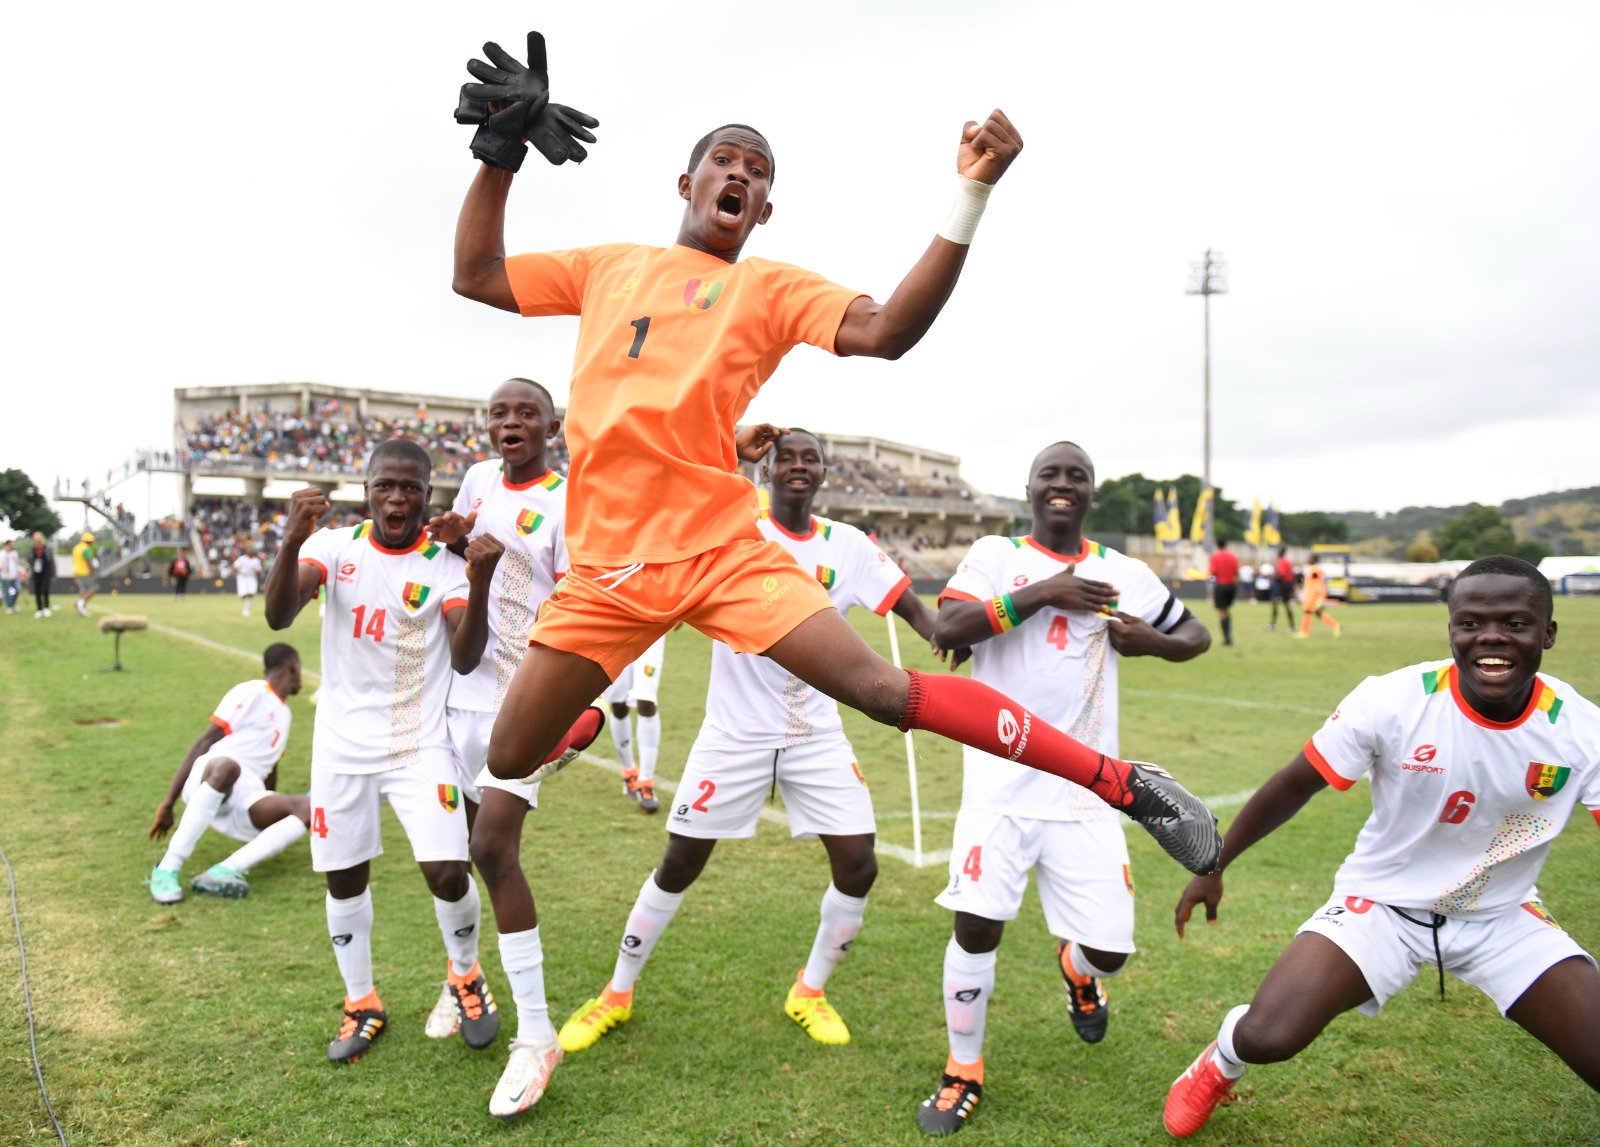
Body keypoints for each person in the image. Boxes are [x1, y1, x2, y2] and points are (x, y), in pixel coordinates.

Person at [451, 94, 1219, 880]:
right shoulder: (609, 267)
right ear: (686, 183)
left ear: (763, 209)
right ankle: (578, 718)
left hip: (718, 550)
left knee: (882, 691)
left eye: (756, 170)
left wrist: (973, 192)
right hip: (607, 570)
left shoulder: (766, 288)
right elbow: (474, 275)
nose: (739, 173)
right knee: (510, 752)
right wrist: (498, 153)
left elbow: (887, 332)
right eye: (725, 159)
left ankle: (1124, 783)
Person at [1165, 555, 1600, 1137]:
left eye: (1515, 624)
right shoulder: (1394, 700)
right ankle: (1221, 1060)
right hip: (1384, 903)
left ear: (1547, 633)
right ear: (1451, 628)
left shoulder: (1580, 730)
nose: (1490, 638)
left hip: (1501, 913)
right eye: (1471, 623)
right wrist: (1214, 865)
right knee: (1270, 1036)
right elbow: (1297, 782)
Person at [558, 428, 944, 1056]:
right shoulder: (737, 532)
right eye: (786, 458)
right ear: (767, 472)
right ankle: (616, 994)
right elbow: (670, 494)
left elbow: (920, 614)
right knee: (680, 863)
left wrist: (951, 629)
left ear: (823, 472)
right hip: (734, 732)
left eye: (809, 458)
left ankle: (809, 991)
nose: (797, 466)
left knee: (860, 865)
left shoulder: (847, 546)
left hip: (814, 730)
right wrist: (728, 450)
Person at [918, 441, 1211, 1136]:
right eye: (1050, 473)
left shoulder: (1124, 572)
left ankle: (1079, 970)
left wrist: (1154, 642)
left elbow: (1195, 633)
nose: (1062, 483)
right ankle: (963, 1069)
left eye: (1076, 475)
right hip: (999, 786)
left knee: (1111, 948)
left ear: (1090, 493)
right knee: (977, 928)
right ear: (1029, 488)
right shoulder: (996, 555)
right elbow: (947, 625)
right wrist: (1046, 591)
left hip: (1086, 791)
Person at [264, 440, 518, 1064]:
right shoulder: (334, 547)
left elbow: (464, 657)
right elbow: (278, 617)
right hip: (341, 746)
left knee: (447, 870)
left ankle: (465, 977)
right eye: (385, 486)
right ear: (367, 488)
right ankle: (362, 1000)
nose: (397, 498)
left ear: (428, 492)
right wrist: (292, 540)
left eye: (410, 487)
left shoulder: (442, 565)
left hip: (416, 743)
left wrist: (479, 578)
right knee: (344, 876)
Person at [425, 377, 575, 1117]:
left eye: (526, 413)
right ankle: (463, 975)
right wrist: (455, 538)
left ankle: (537, 1035)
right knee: (454, 855)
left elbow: (581, 601)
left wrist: (580, 703)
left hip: (526, 697)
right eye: (500, 413)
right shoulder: (481, 479)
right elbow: (461, 569)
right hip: (461, 697)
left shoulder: (569, 502)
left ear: (552, 425)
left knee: (492, 849)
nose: (510, 422)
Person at [146, 644, 311, 900]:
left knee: (310, 807)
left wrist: (273, 811)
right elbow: (203, 743)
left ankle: (223, 872)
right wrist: (168, 803)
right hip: (212, 774)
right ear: (293, 667)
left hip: (248, 793)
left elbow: (270, 766)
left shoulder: (285, 714)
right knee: (228, 767)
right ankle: (167, 868)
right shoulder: (253, 691)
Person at [603, 635, 667, 812]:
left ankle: (646, 782)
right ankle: (629, 772)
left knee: (646, 702)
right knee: (619, 704)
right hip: (619, 631)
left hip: (652, 630)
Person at [1293, 557, 1341, 639]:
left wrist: (1320, 597)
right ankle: (1335, 625)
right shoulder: (1314, 569)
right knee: (1318, 613)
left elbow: (1317, 583)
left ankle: (1304, 632)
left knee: (1308, 611)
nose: (1308, 560)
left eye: (1310, 559)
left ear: (1313, 560)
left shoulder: (1315, 570)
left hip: (1314, 595)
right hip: (1313, 594)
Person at [1207, 538, 1239, 647]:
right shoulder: (1233, 556)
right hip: (1232, 586)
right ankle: (1228, 636)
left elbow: (1213, 572)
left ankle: (1227, 638)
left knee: (1222, 612)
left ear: (1217, 544)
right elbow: (1236, 571)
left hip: (1221, 585)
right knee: (1226, 610)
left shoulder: (1215, 556)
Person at [1267, 547, 1296, 632]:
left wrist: (1273, 577)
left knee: (1279, 603)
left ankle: (1274, 625)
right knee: (1281, 603)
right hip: (1287, 584)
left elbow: (1281, 575)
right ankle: (1291, 626)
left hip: (1282, 585)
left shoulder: (1282, 562)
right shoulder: (1287, 561)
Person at [27, 531, 54, 617]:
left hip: (46, 572)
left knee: (45, 589)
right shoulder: (31, 550)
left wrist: (53, 572)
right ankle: (39, 609)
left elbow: (51, 561)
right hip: (36, 573)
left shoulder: (46, 549)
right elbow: (28, 561)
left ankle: (46, 608)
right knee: (37, 591)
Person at [234, 544, 264, 617]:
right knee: (243, 593)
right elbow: (235, 566)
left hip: (251, 577)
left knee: (252, 593)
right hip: (242, 577)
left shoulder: (256, 561)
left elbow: (259, 570)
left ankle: (246, 609)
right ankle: (241, 595)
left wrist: (257, 570)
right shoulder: (242, 559)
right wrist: (240, 570)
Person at [72, 532, 97, 617]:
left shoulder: (76, 547)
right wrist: (93, 573)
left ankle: (81, 608)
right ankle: (80, 604)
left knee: (83, 590)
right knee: (93, 589)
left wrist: (75, 573)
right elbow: (88, 562)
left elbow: (74, 561)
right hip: (85, 572)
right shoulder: (86, 549)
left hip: (77, 571)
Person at [0, 539, 21, 614]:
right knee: (7, 592)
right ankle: (9, 607)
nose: (14, 545)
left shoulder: (14, 553)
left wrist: (19, 572)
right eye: (12, 544)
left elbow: (16, 563)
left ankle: (13, 604)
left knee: (18, 589)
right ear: (8, 544)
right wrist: (7, 573)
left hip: (15, 575)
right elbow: (3, 564)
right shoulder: (2, 553)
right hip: (5, 576)